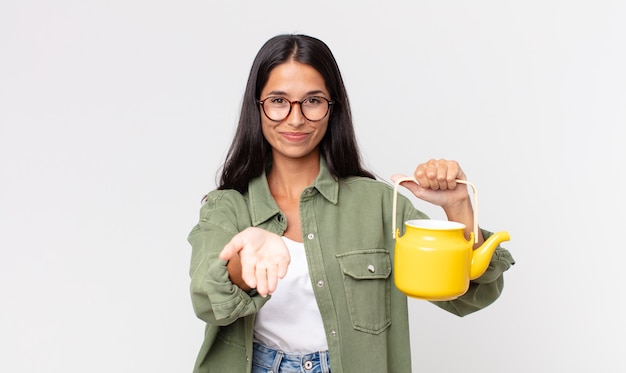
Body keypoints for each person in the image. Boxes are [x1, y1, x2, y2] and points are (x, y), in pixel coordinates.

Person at [187, 34, 515, 373]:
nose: (296, 118)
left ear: (333, 107)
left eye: (312, 101)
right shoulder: (226, 207)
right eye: (278, 101)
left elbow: (471, 295)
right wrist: (245, 261)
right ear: (257, 107)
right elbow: (207, 299)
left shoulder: (380, 207)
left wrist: (458, 206)